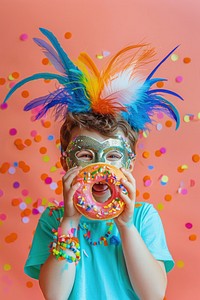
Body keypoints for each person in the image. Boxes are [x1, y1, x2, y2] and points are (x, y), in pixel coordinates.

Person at [4, 28, 183, 300]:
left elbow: (154, 294)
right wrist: (70, 221)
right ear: (65, 161)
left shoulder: (143, 217)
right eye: (86, 155)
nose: (100, 166)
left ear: (129, 163)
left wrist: (126, 225)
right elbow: (54, 295)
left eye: (113, 156)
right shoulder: (54, 220)